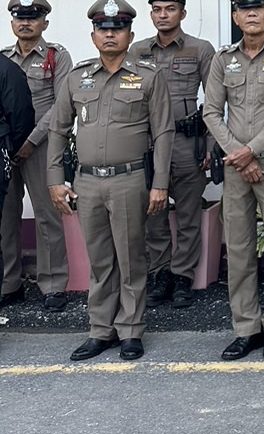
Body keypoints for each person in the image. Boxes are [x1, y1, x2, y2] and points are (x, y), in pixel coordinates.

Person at [47, 0, 173, 361]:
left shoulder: (148, 77)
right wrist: (55, 179)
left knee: (131, 258)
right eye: (103, 28)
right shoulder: (77, 77)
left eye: (117, 28)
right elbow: (57, 129)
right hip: (87, 183)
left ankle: (130, 329)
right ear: (93, 36)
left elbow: (163, 132)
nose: (110, 34)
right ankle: (100, 329)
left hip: (129, 180)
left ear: (130, 35)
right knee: (100, 259)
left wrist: (160, 183)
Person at [203, 0, 264, 361]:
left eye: (259, 8)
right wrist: (239, 154)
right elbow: (211, 112)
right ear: (235, 17)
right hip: (236, 165)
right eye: (244, 9)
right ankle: (246, 327)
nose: (252, 15)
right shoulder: (222, 59)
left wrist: (252, 150)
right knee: (239, 246)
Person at [133, 0, 215, 310]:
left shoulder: (200, 49)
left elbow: (214, 101)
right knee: (153, 214)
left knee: (188, 214)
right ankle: (161, 273)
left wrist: (210, 145)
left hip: (186, 143)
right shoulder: (137, 51)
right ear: (151, 13)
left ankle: (182, 276)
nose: (163, 15)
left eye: (170, 8)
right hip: (149, 144)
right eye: (157, 9)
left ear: (183, 13)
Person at [1, 0, 70, 312]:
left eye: (32, 17)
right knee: (5, 216)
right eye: (20, 17)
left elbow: (61, 105)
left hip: (41, 147)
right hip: (6, 147)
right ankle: (9, 283)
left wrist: (30, 140)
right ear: (12, 22)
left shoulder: (56, 56)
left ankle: (53, 285)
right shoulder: (3, 58)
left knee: (47, 215)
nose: (25, 22)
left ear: (44, 22)